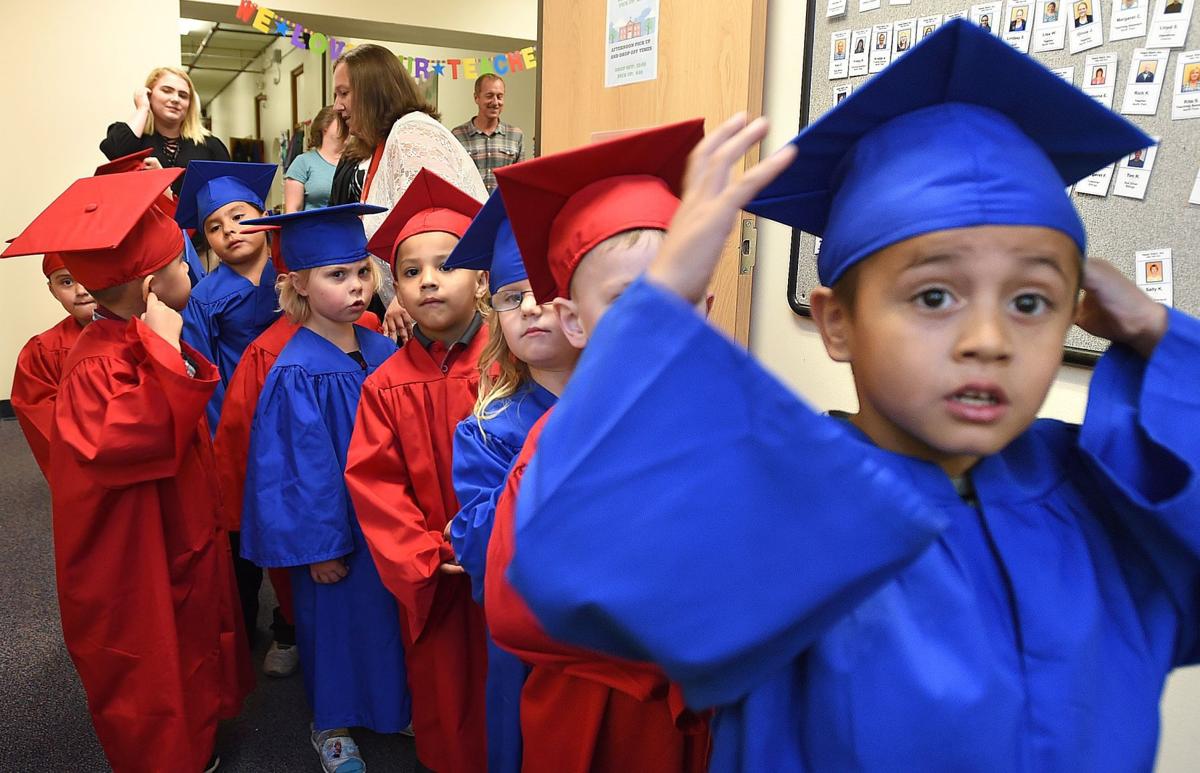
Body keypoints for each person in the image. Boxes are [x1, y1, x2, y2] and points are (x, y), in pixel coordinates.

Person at [504, 20, 1198, 772]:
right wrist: (663, 298)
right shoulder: (779, 509)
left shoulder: (1110, 499)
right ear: (836, 322)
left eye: (1032, 302)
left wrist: (1157, 330)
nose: (989, 338)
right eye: (934, 295)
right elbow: (568, 563)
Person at [1, 168, 253, 773]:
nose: (192, 271)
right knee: (151, 659)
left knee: (189, 636)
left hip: (171, 529)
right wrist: (166, 352)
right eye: (182, 264)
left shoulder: (132, 336)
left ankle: (196, 742)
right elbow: (141, 437)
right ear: (150, 286)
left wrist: (164, 345)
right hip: (133, 549)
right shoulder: (96, 364)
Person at [484, 120, 715, 773]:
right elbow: (512, 606)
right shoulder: (554, 445)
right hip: (595, 706)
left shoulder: (726, 427)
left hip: (702, 712)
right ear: (574, 321)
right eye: (625, 300)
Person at [239, 203, 412, 773]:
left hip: (386, 525)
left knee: (385, 618)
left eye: (362, 271)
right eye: (337, 276)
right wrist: (321, 548)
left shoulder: (384, 351)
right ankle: (330, 724)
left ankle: (389, 707)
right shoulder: (296, 370)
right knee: (335, 625)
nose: (357, 286)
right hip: (336, 534)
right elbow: (296, 471)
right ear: (300, 287)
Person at [344, 169, 488, 773]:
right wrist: (425, 552)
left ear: (482, 278)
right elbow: (375, 485)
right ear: (394, 290)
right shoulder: (385, 386)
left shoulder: (519, 368)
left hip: (513, 566)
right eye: (409, 271)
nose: (428, 280)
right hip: (434, 574)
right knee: (445, 692)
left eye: (447, 263)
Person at [442, 191, 579, 773]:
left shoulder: (637, 407)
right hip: (534, 645)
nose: (528, 307)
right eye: (509, 295)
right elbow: (479, 546)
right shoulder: (488, 428)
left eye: (545, 292)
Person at [329, 43, 486, 337]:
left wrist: (405, 296)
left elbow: (434, 229)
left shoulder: (411, 133)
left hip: (449, 316)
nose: (337, 106)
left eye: (344, 93)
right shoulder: (385, 144)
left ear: (373, 90)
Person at [176, 160, 280, 433]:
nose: (229, 230)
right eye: (214, 227)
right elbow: (204, 371)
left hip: (298, 400)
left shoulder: (291, 276)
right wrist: (223, 432)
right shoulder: (201, 299)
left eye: (239, 217)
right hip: (241, 415)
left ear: (266, 216)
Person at [11, 253, 95, 480]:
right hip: (87, 466)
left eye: (88, 275)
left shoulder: (142, 330)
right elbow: (44, 426)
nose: (81, 290)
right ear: (52, 290)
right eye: (66, 281)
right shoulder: (43, 351)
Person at [100, 66, 230, 194]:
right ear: (149, 95)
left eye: (183, 95)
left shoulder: (210, 145)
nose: (175, 99)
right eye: (167, 91)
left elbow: (227, 190)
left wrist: (162, 177)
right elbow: (115, 151)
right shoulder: (132, 137)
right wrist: (143, 108)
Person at [452, 74, 526, 193]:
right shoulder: (457, 135)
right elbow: (453, 180)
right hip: (471, 210)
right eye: (489, 96)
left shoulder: (516, 135)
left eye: (499, 96)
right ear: (476, 98)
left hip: (503, 210)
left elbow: (520, 182)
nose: (495, 102)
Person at [285, 106, 345, 212]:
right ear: (324, 126)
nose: (346, 125)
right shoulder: (303, 162)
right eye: (341, 121)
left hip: (346, 226)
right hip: (311, 227)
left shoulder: (354, 162)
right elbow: (292, 211)